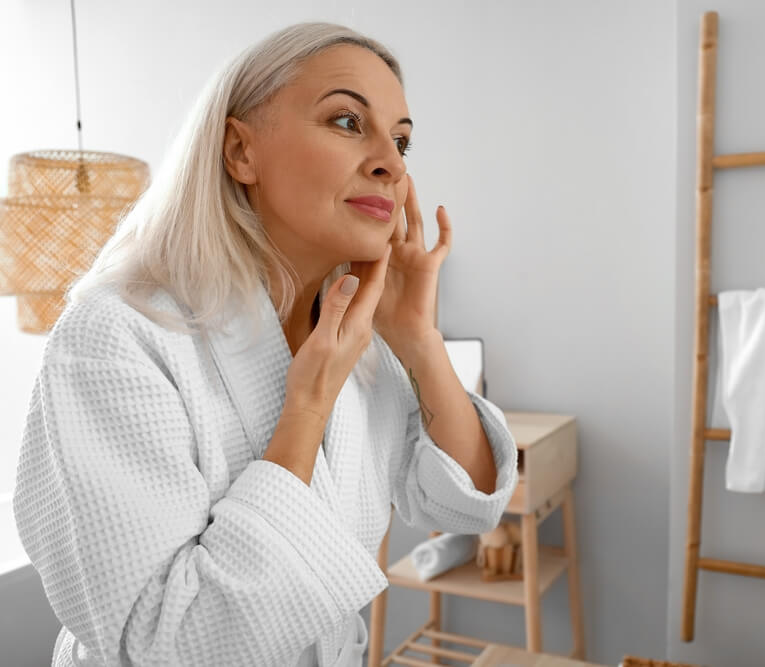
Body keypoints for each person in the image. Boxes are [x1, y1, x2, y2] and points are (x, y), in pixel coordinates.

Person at [12, 22, 518, 667]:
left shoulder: (355, 337)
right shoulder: (116, 335)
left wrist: (418, 336)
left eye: (401, 140)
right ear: (239, 152)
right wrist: (306, 408)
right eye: (345, 121)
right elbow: (167, 646)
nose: (390, 161)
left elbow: (464, 502)